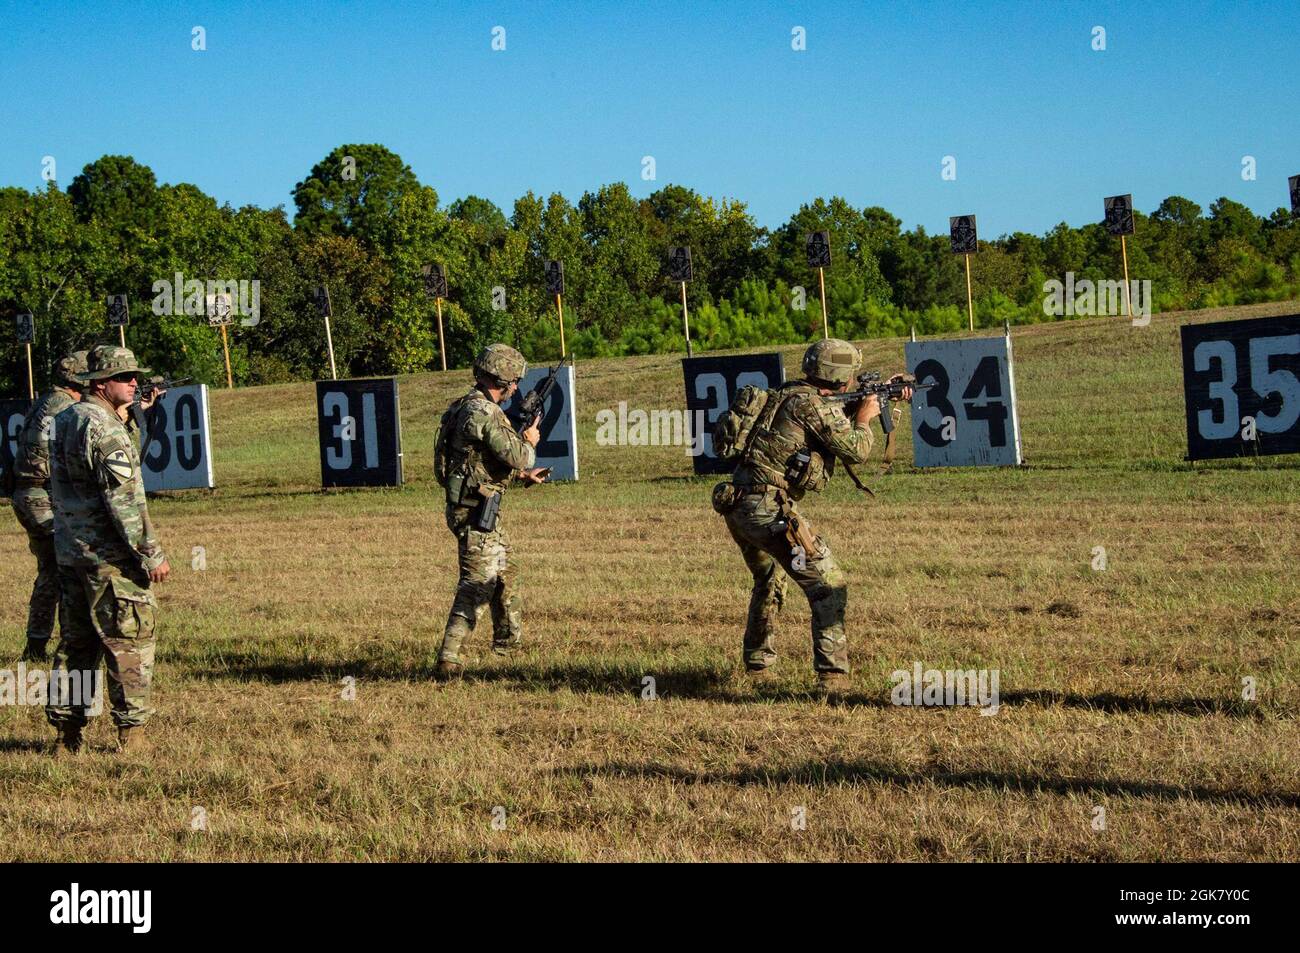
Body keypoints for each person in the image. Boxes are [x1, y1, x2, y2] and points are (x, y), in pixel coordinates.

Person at [720, 338, 911, 696]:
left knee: (770, 578)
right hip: (769, 510)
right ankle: (832, 679)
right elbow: (856, 449)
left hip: (739, 505)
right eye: (851, 377)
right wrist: (868, 417)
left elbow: (828, 420)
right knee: (828, 587)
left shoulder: (789, 394)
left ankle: (758, 666)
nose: (853, 383)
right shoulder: (811, 405)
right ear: (839, 376)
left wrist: (883, 397)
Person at [45, 346, 170, 754]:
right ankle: (132, 736)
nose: (134, 382)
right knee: (129, 641)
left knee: (77, 644)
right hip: (110, 560)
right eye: (125, 377)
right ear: (101, 384)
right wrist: (151, 554)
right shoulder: (106, 430)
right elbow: (126, 502)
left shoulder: (65, 420)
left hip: (71, 553)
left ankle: (68, 734)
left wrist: (130, 415)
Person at [433, 344, 549, 678]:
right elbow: (519, 455)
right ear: (503, 379)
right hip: (474, 512)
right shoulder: (483, 412)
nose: (516, 388)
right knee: (477, 585)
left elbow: (478, 460)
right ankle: (448, 660)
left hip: (476, 506)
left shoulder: (463, 406)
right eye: (514, 381)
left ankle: (507, 649)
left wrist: (521, 477)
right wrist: (530, 441)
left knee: (506, 575)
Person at [9, 352, 87, 662]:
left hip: (28, 495)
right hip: (43, 495)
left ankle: (36, 645)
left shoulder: (46, 402)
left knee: (50, 573)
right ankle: (69, 643)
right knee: (69, 570)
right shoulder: (66, 406)